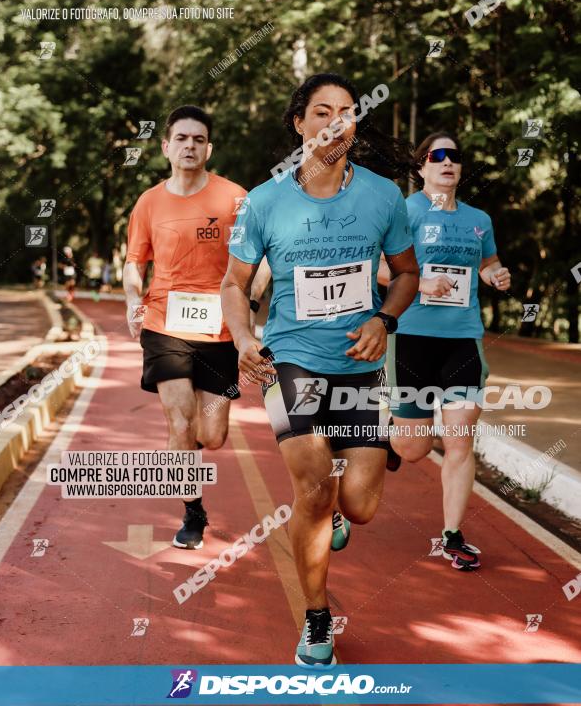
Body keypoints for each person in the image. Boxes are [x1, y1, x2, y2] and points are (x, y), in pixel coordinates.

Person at [221, 73, 419, 666]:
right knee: (312, 488)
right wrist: (242, 337)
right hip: (292, 362)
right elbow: (233, 285)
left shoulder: (383, 196)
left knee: (357, 506)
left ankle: (349, 489)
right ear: (299, 123)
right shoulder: (263, 201)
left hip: (356, 365)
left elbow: (406, 274)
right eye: (322, 111)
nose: (336, 122)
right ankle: (316, 618)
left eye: (347, 112)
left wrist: (384, 319)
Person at [123, 105, 268, 550]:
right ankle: (193, 510)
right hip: (164, 322)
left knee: (212, 434)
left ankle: (188, 453)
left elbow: (261, 259)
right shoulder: (149, 201)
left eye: (198, 140)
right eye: (181, 139)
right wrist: (133, 300)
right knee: (180, 417)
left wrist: (250, 305)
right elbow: (135, 262)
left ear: (209, 148)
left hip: (221, 329)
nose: (189, 146)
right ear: (166, 147)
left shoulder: (235, 198)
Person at [382, 131, 511, 571]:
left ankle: (453, 535)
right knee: (415, 448)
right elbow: (379, 267)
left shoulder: (479, 219)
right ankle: (390, 441)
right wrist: (418, 282)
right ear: (421, 167)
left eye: (454, 156)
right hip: (412, 338)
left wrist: (495, 274)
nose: (447, 162)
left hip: (463, 339)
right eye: (437, 156)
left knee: (460, 440)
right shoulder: (405, 211)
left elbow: (487, 261)